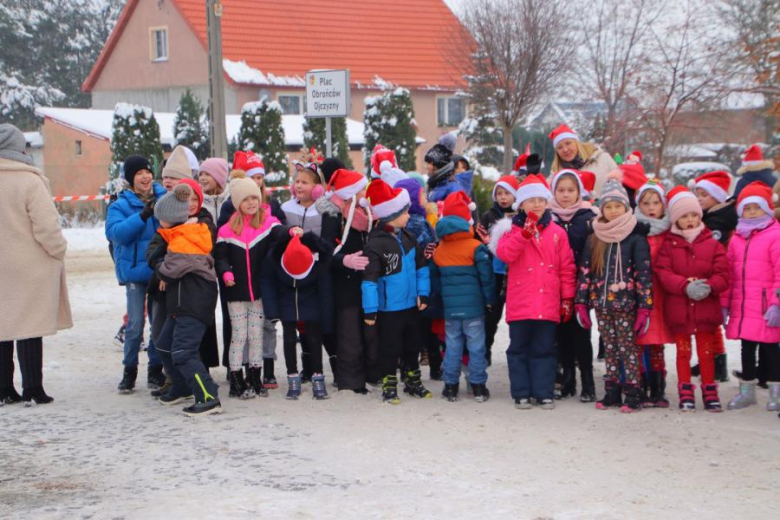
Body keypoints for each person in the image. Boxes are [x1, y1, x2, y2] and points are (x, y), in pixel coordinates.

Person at [0, 123, 72, 405]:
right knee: (30, 327)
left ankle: (4, 388)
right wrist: (58, 250)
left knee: (3, 326)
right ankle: (33, 388)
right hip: (30, 266)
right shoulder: (30, 180)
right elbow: (46, 226)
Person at [495, 174, 576, 410]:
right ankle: (521, 392)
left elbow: (567, 268)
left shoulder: (557, 232)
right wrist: (524, 234)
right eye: (531, 201)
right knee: (518, 348)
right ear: (521, 205)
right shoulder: (512, 230)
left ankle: (543, 392)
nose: (537, 205)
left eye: (541, 200)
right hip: (521, 302)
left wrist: (567, 298)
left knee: (544, 349)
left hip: (547, 302)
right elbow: (505, 254)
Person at [575, 179, 653, 413]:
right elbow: (586, 271)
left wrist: (645, 307)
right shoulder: (595, 236)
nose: (613, 211)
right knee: (609, 347)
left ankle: (633, 391)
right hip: (602, 304)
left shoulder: (636, 237)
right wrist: (581, 302)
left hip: (627, 304)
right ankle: (612, 391)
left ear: (626, 207)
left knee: (627, 348)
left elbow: (644, 274)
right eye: (608, 206)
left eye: (618, 206)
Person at [655, 187, 729, 412]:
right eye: (684, 216)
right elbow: (663, 272)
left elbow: (723, 275)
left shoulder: (713, 244)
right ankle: (685, 389)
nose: (689, 220)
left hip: (705, 309)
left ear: (699, 216)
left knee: (706, 353)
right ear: (676, 219)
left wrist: (708, 286)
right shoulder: (669, 245)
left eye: (693, 215)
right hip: (680, 309)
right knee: (683, 352)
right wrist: (684, 285)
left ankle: (709, 389)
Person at [150, 184, 222, 416]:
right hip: (180, 301)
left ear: (172, 218)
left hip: (193, 301)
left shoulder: (185, 238)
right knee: (163, 344)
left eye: (161, 219)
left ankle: (208, 395)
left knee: (183, 351)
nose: (159, 223)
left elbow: (169, 270)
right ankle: (182, 387)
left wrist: (160, 267)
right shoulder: (177, 233)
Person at [217, 152, 285, 388]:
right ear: (237, 203)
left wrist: (292, 232)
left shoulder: (267, 222)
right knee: (240, 336)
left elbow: (280, 233)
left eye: (254, 198)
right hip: (235, 292)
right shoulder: (226, 230)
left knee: (256, 336)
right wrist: (226, 273)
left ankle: (256, 378)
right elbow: (221, 256)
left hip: (258, 291)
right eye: (246, 200)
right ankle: (237, 378)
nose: (252, 203)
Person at [362, 179, 432, 404]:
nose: (409, 216)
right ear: (390, 215)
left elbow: (422, 268)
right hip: (389, 309)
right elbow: (369, 280)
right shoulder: (376, 244)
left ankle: (412, 380)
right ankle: (389, 384)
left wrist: (424, 293)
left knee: (413, 344)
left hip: (411, 305)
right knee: (390, 348)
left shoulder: (410, 238)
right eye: (404, 212)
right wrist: (370, 309)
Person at [105, 154, 167, 393]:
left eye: (148, 171)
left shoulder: (163, 198)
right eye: (139, 173)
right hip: (133, 273)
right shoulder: (119, 204)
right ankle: (129, 370)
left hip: (158, 270)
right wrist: (142, 215)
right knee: (135, 324)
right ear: (131, 178)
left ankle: (155, 369)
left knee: (158, 324)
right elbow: (116, 234)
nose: (145, 176)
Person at [431, 192, 496, 403]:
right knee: (476, 347)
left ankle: (450, 386)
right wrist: (489, 299)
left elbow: (436, 281)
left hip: (451, 310)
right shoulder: (475, 247)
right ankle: (478, 385)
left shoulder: (439, 250)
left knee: (452, 347)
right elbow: (486, 278)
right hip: (474, 308)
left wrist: (442, 300)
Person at [722, 182, 780, 411]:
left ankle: (776, 392)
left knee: (770, 349)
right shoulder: (737, 237)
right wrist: (725, 304)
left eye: (757, 207)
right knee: (747, 348)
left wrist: (777, 303)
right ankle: (747, 391)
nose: (752, 212)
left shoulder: (775, 235)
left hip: (766, 305)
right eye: (747, 208)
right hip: (744, 305)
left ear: (767, 208)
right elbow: (729, 273)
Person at [323, 168, 378, 393]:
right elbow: (325, 251)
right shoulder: (333, 215)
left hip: (365, 283)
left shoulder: (365, 214)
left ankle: (371, 375)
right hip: (344, 285)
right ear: (351, 194)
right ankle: (351, 382)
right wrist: (344, 260)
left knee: (368, 333)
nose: (366, 193)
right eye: (361, 189)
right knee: (349, 335)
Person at [263, 231, 334, 400]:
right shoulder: (274, 260)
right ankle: (292, 376)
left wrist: (327, 318)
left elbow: (326, 292)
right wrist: (272, 313)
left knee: (314, 339)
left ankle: (318, 377)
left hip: (311, 300)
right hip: (286, 299)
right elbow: (268, 285)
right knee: (288, 339)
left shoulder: (319, 262)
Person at [548, 169, 598, 403]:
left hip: (582, 284)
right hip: (554, 285)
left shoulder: (589, 217)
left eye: (571, 190)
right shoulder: (547, 217)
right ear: (553, 191)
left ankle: (587, 382)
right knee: (561, 334)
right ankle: (568, 380)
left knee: (581, 333)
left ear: (579, 192)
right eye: (561, 190)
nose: (566, 195)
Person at [633, 180, 675, 408]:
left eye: (656, 202)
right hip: (641, 294)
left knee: (657, 342)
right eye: (646, 203)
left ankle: (658, 386)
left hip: (663, 293)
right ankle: (639, 383)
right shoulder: (635, 229)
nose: (651, 207)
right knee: (639, 340)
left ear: (663, 205)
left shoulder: (670, 230)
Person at [691, 170, 735, 382]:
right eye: (697, 194)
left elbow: (713, 248)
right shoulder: (713, 215)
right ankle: (712, 357)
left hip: (715, 275)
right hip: (710, 273)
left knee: (710, 321)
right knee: (707, 321)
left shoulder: (720, 220)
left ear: (717, 196)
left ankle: (717, 361)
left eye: (704, 195)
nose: (699, 198)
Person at [549, 124, 618, 197]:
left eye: (568, 143)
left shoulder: (603, 159)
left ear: (577, 143)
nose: (565, 149)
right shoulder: (555, 174)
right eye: (560, 147)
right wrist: (535, 174)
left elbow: (621, 187)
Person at [199, 157, 230, 223]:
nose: (202, 178)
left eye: (207, 174)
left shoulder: (232, 199)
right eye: (201, 174)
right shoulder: (198, 201)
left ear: (219, 177)